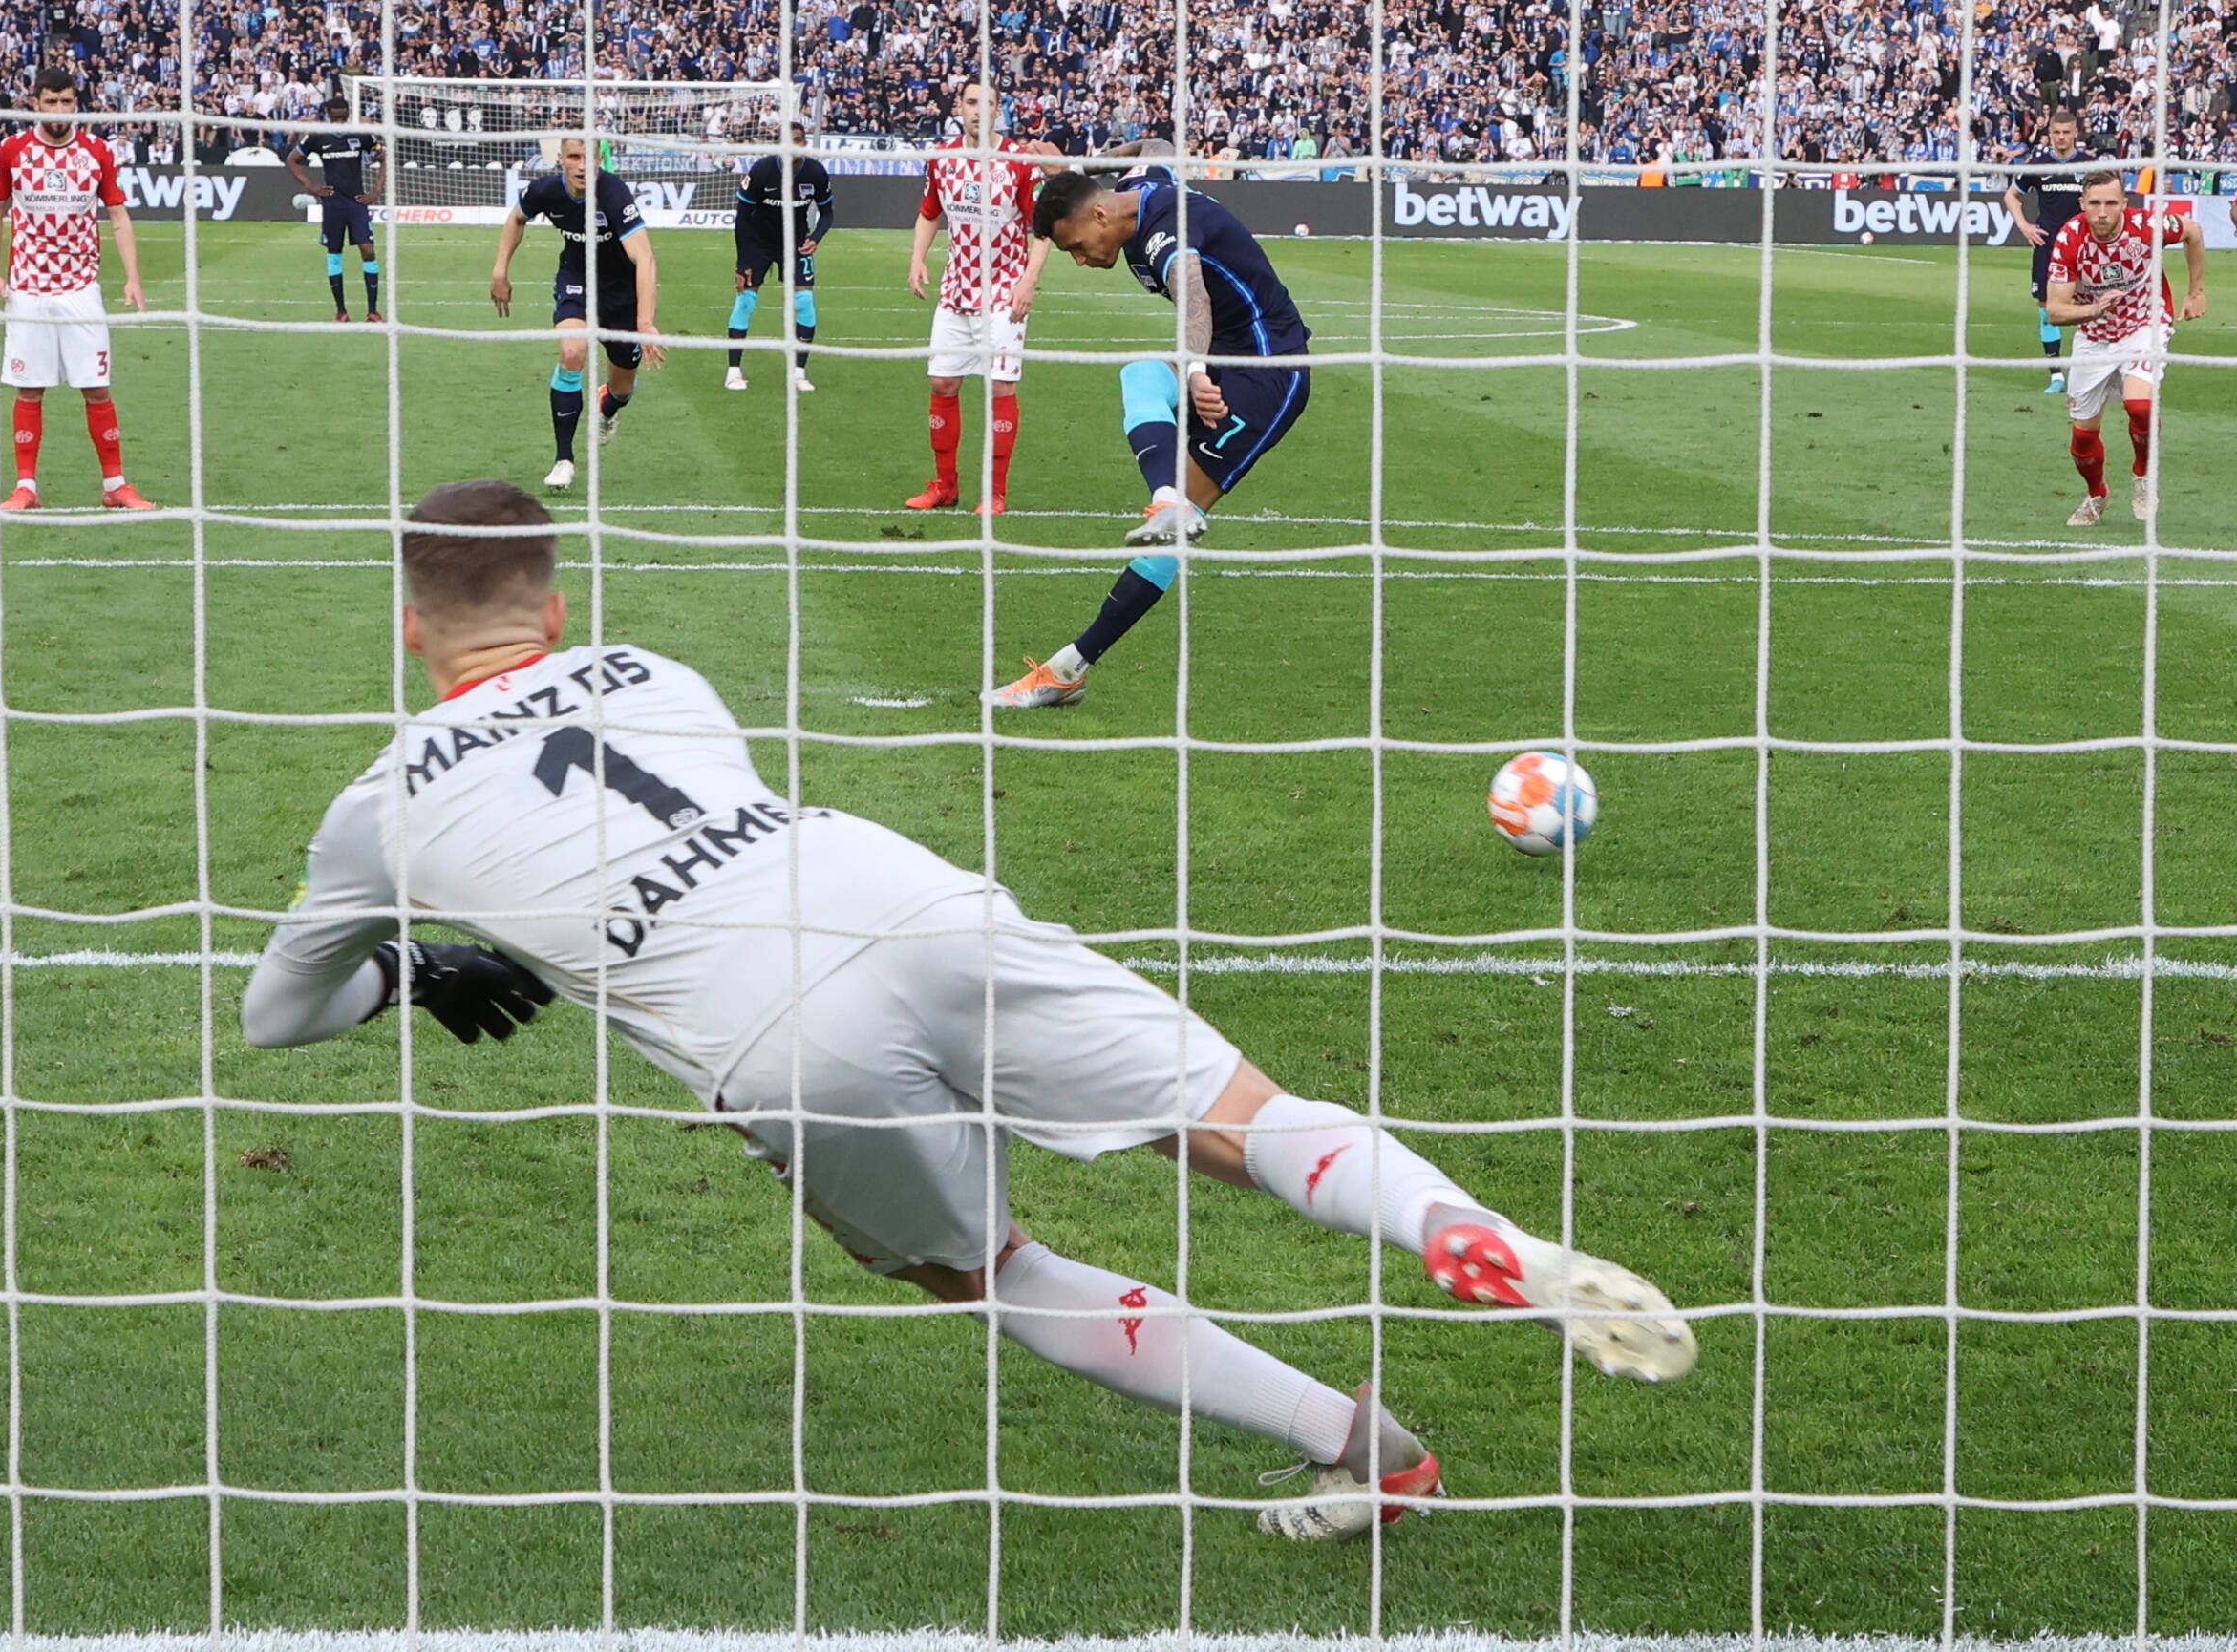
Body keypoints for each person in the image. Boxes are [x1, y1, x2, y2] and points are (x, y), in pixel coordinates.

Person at [243, 478, 1697, 1543]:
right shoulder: (656, 672)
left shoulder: (385, 804)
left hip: (772, 1024)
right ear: (557, 608)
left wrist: (419, 966)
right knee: (1232, 1121)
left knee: (983, 1270)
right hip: (898, 890)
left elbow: (277, 1014)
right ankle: (1461, 1229)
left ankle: (1357, 1442)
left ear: (408, 624)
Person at [984, 147, 1311, 710]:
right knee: (1140, 380)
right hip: (1227, 358)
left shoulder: (1163, 231)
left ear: (1101, 217)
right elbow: (1157, 149)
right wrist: (1083, 162)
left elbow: (1194, 296)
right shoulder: (1139, 185)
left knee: (1177, 527)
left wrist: (1197, 368)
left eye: (1077, 248)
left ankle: (1068, 669)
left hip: (1266, 375)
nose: (1082, 261)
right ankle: (1163, 508)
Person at [0, 66, 151, 514]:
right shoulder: (13, 151)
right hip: (28, 289)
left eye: (66, 102)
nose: (59, 110)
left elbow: (118, 216)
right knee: (29, 389)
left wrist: (133, 277)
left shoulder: (96, 152)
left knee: (96, 387)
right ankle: (26, 487)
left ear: (75, 103)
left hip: (82, 289)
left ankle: (115, 485)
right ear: (35, 103)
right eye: (51, 102)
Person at [905, 82, 1052, 515]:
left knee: (1001, 386)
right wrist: (917, 258)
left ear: (996, 110)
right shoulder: (943, 158)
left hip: (1005, 292)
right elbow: (929, 213)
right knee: (942, 383)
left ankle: (995, 493)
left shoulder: (1018, 163)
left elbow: (1040, 227)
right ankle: (945, 485)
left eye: (986, 104)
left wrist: (1028, 281)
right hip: (955, 291)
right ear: (959, 107)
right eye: (971, 103)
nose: (978, 111)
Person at [490, 138, 664, 493]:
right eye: (574, 157)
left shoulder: (614, 194)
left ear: (601, 160)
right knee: (571, 353)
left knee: (622, 388)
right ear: (561, 159)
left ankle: (608, 407)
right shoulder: (545, 191)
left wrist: (644, 321)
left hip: (621, 294)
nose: (582, 165)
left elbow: (644, 257)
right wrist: (500, 270)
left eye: (590, 158)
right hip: (576, 279)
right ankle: (564, 460)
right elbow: (516, 218)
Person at [2045, 170, 2206, 526]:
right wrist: (2093, 309)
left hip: (2144, 324)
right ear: (2082, 204)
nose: (2102, 212)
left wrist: (2195, 291)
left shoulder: (2146, 225)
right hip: (2093, 334)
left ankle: (2143, 477)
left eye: (2111, 203)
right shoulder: (2070, 238)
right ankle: (2096, 495)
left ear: (2124, 204)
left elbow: (2192, 231)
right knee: (2083, 439)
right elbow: (2055, 309)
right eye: (2095, 203)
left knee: (2139, 404)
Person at [726, 119, 835, 393]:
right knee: (746, 301)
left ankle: (799, 372)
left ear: (804, 143)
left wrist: (815, 238)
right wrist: (743, 262)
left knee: (805, 301)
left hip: (795, 243)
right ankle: (733, 371)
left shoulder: (816, 173)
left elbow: (828, 212)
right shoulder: (762, 171)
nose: (793, 145)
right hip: (758, 243)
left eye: (798, 139)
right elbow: (742, 219)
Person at [2002, 109, 2093, 394]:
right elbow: (2011, 195)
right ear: (2049, 134)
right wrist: (2025, 226)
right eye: (2057, 133)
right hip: (2048, 245)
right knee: (2045, 309)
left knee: (2093, 306)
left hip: (2085, 247)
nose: (2062, 137)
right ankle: (2056, 375)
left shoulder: (2091, 166)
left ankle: (2089, 369)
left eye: (2067, 132)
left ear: (2076, 133)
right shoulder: (2038, 165)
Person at [286, 95, 384, 323]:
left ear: (347, 113)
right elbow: (292, 160)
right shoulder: (318, 136)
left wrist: (376, 191)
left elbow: (383, 156)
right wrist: (311, 186)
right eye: (336, 111)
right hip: (332, 203)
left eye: (343, 111)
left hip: (356, 202)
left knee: (368, 250)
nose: (340, 114)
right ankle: (341, 311)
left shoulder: (361, 135)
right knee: (334, 252)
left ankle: (372, 310)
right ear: (329, 113)